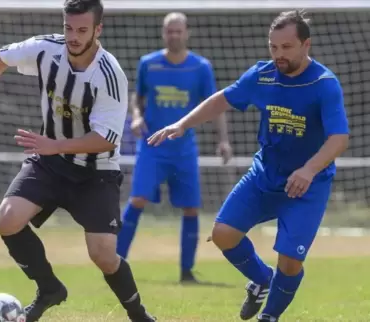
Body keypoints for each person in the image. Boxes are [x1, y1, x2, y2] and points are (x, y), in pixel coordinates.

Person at [0, 1, 156, 321]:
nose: (73, 36)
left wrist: (54, 146)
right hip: (51, 162)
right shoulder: (45, 49)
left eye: (82, 30)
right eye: (69, 28)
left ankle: (137, 313)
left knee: (103, 256)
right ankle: (49, 288)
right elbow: (0, 58)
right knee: (8, 219)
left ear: (98, 30)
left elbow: (106, 139)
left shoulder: (110, 74)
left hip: (96, 172)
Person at [148, 10, 349, 322]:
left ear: (306, 45)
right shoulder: (263, 74)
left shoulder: (325, 84)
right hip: (264, 176)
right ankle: (261, 280)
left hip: (308, 185)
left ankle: (268, 316)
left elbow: (339, 138)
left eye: (286, 47)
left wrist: (309, 169)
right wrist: (183, 123)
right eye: (273, 47)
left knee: (290, 262)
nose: (278, 55)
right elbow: (222, 99)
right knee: (223, 234)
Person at [116, 12, 232, 284]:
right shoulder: (149, 64)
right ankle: (116, 263)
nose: (174, 36)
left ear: (187, 33)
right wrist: (136, 116)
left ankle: (186, 272)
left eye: (179, 31)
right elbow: (138, 98)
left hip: (184, 150)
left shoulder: (200, 67)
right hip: (153, 148)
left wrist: (223, 140)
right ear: (163, 33)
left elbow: (215, 105)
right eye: (170, 31)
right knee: (137, 200)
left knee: (191, 208)